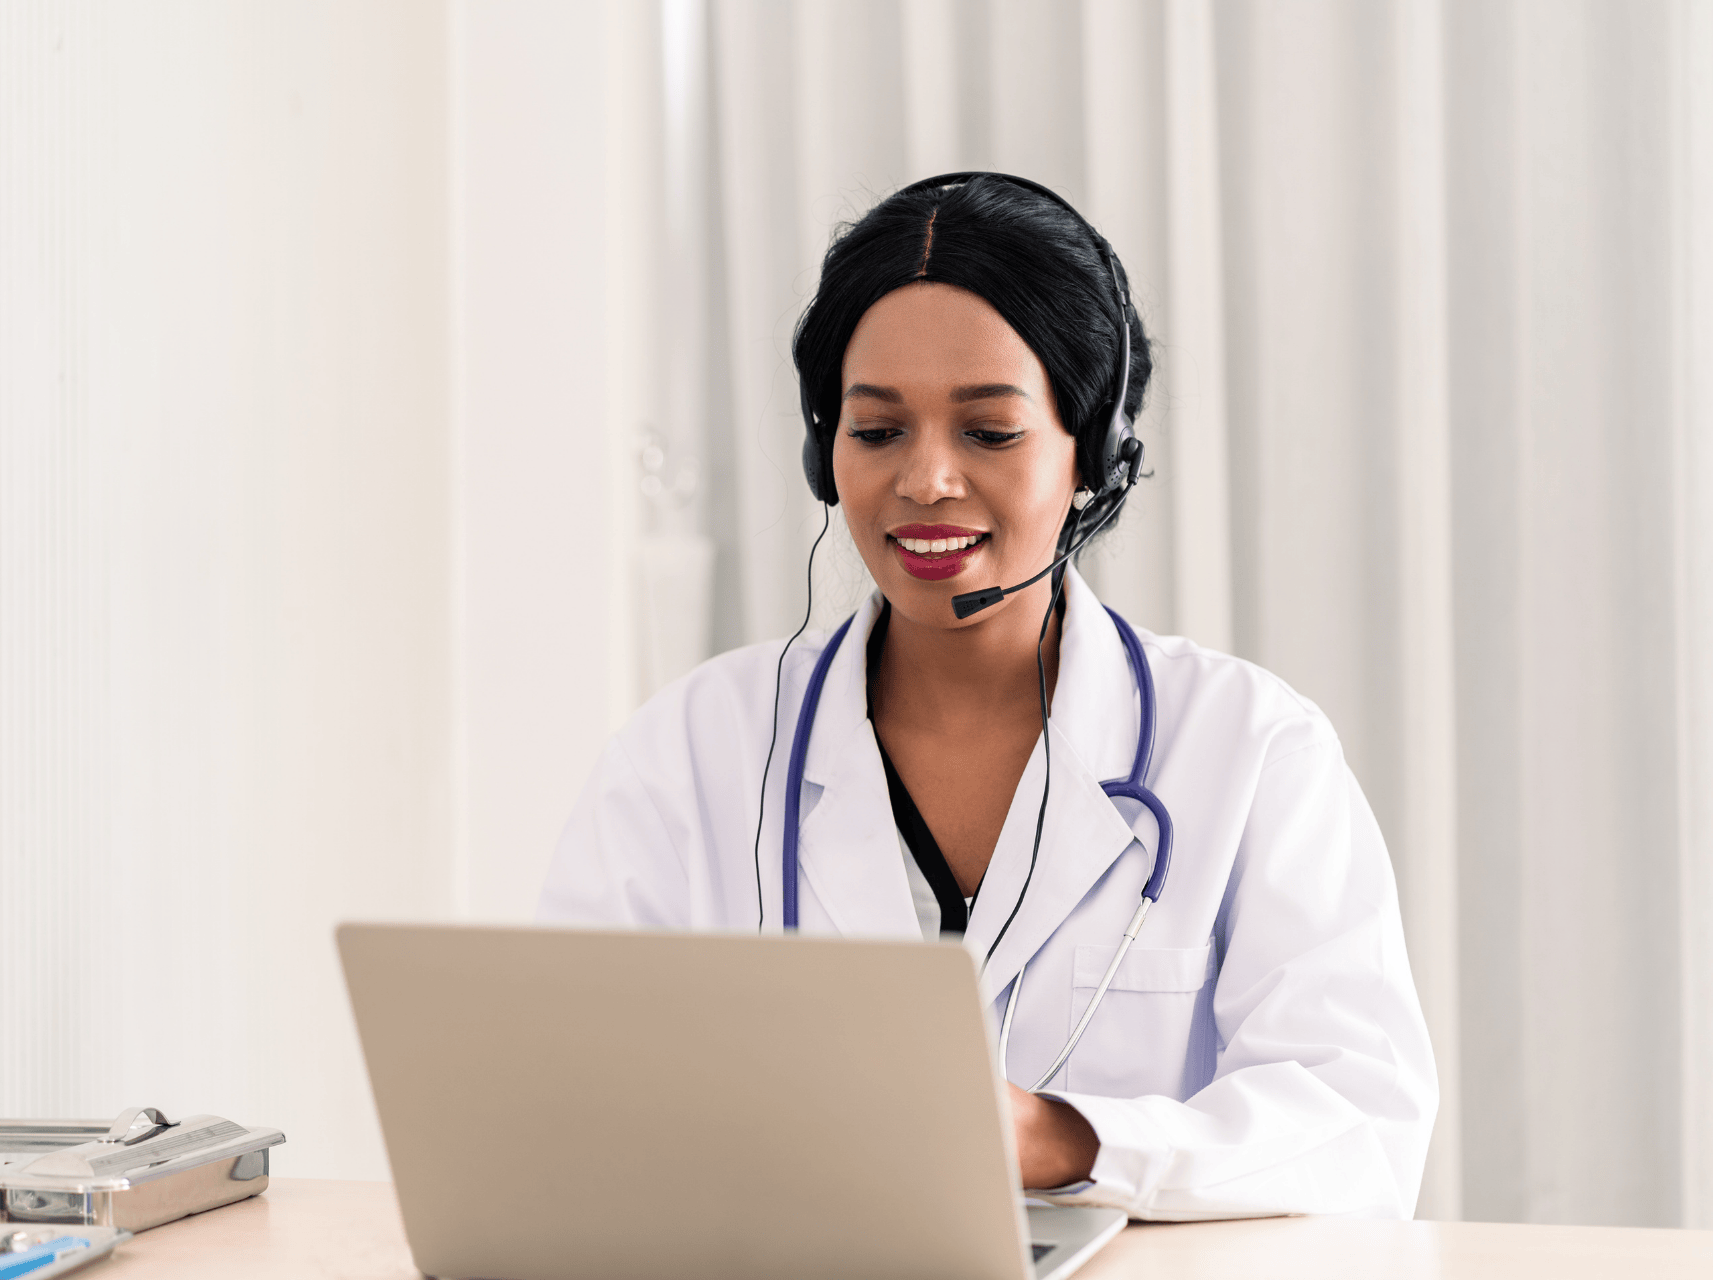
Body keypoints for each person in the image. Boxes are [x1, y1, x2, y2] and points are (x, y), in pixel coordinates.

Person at [538, 173, 1436, 1220]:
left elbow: (1358, 1122)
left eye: (989, 431)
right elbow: (568, 1100)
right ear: (825, 456)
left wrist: (1059, 1136)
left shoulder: (1250, 750)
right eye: (877, 431)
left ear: (1092, 453)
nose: (924, 480)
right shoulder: (694, 749)